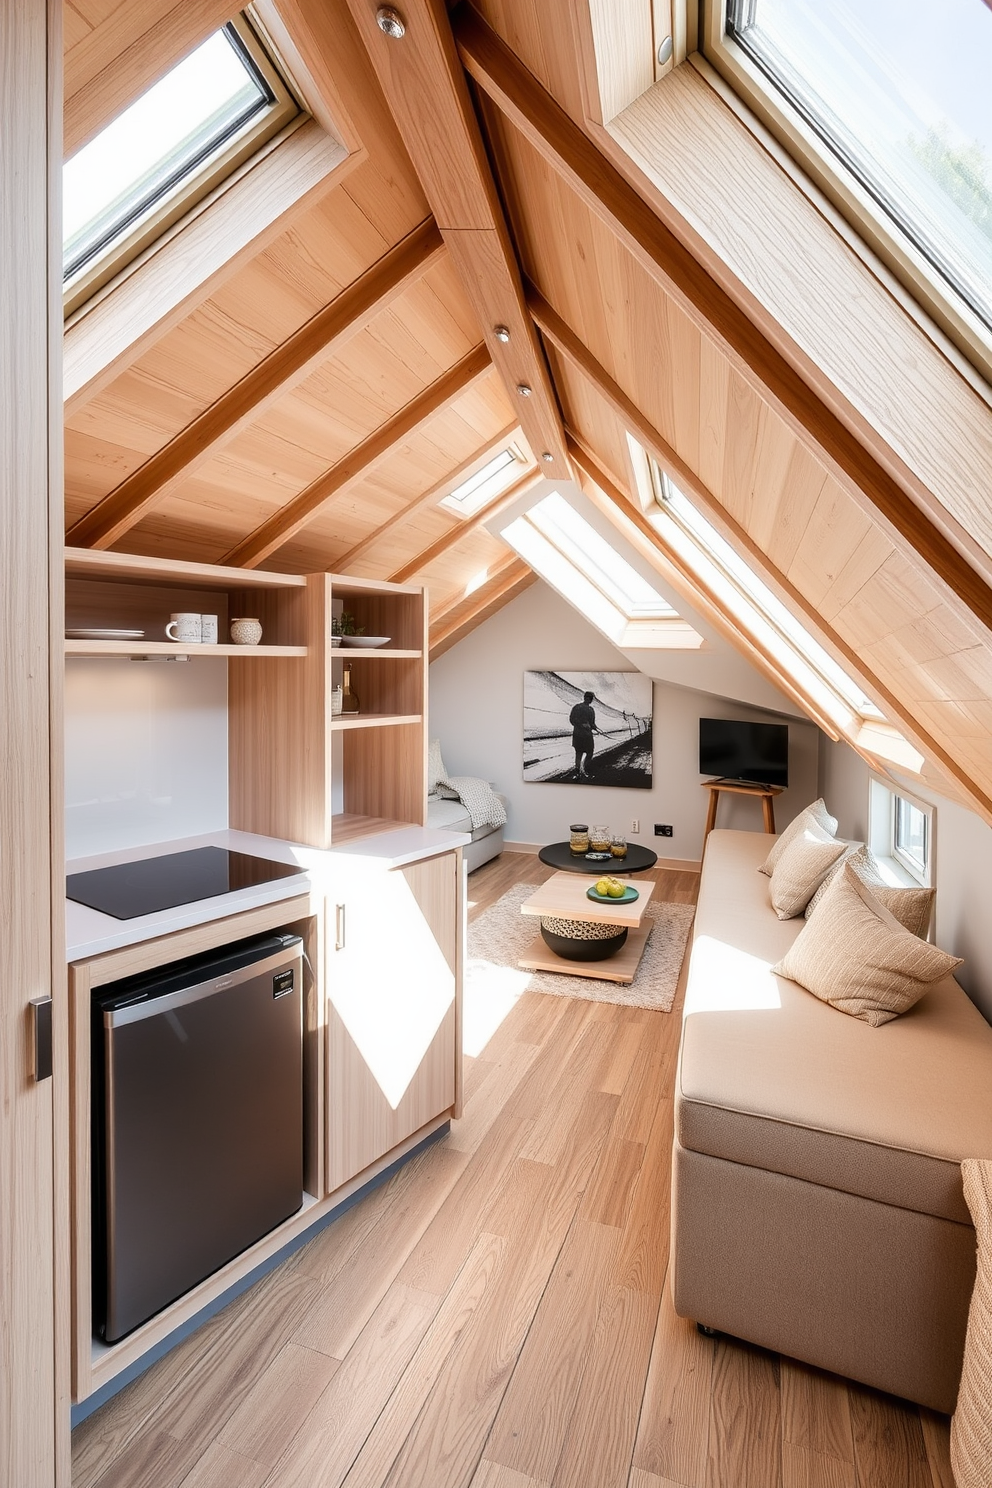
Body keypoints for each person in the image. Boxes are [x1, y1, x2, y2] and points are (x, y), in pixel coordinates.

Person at [569, 691, 597, 779]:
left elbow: (592, 723)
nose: (588, 700)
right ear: (585, 698)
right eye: (587, 698)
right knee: (579, 753)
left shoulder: (591, 710)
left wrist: (593, 726)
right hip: (579, 734)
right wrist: (582, 725)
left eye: (590, 698)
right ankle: (578, 773)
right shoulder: (577, 707)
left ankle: (584, 770)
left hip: (587, 735)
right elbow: (572, 719)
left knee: (589, 752)